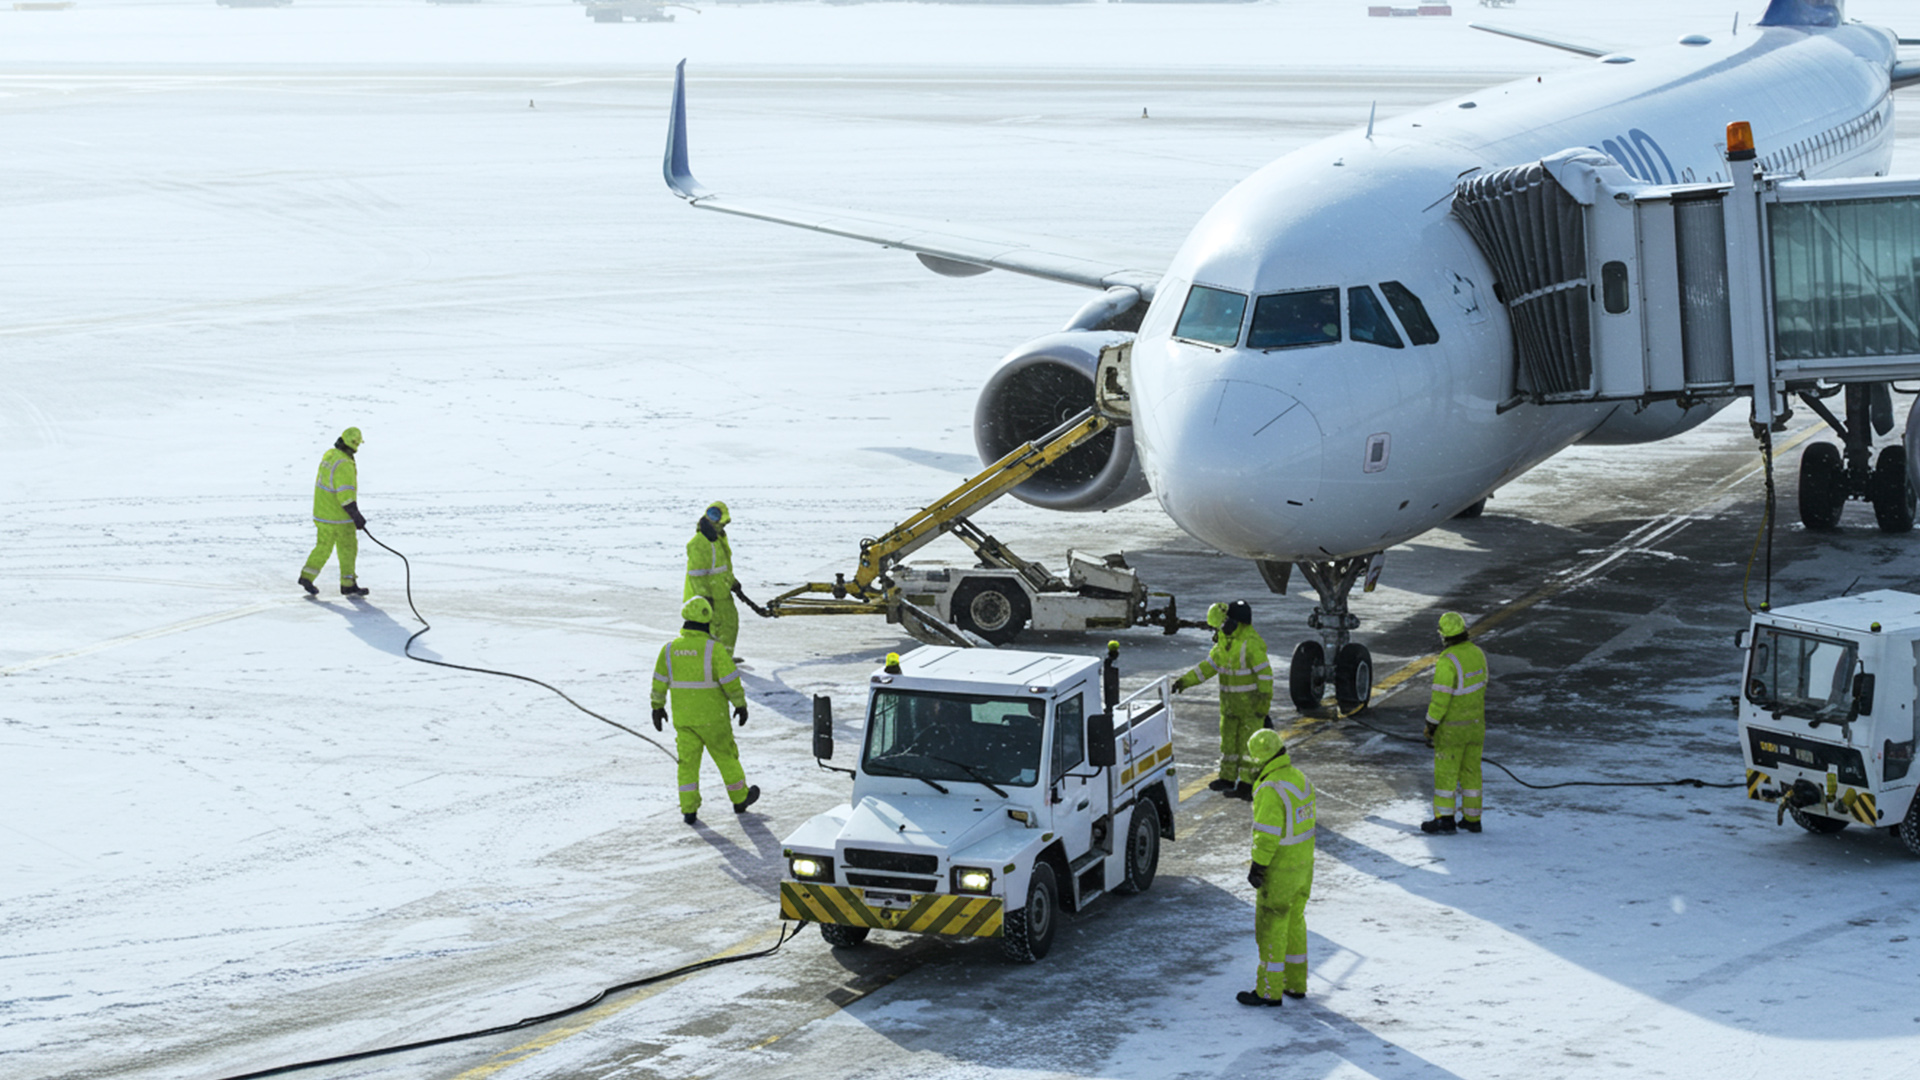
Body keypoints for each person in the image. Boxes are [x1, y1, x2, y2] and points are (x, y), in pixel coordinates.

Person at [651, 595, 759, 825]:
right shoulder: (714, 650)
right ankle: (740, 798)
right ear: (707, 621)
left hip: (684, 719)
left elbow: (659, 681)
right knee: (726, 757)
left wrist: (657, 708)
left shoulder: (669, 650)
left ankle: (689, 809)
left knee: (687, 764)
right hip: (714, 719)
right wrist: (740, 704)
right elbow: (731, 681)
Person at [1240, 727, 1315, 1007]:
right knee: (1295, 922)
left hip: (1280, 870)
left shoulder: (1270, 788)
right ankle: (1295, 984)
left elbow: (1267, 834)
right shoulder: (1299, 779)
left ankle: (1268, 990)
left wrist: (1257, 866)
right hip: (1303, 867)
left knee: (1272, 926)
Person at [1172, 599, 1274, 799]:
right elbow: (1208, 667)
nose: (1219, 629)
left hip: (1250, 707)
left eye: (1222, 625)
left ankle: (1247, 783)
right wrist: (1185, 681)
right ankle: (1227, 778)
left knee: (1248, 747)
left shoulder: (1250, 644)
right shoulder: (1224, 642)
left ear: (1235, 622)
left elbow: (1265, 676)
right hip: (1229, 706)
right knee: (1228, 745)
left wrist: (1263, 703)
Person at [1422, 611, 1488, 835]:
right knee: (1471, 772)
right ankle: (1472, 819)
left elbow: (1440, 699)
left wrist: (1431, 725)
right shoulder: (1477, 653)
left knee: (1446, 775)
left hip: (1452, 731)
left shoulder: (1447, 660)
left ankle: (1445, 819)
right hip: (1476, 727)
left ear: (1443, 635)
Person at [299, 427, 369, 597]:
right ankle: (348, 584)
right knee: (348, 548)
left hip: (322, 512)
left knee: (323, 546)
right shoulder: (344, 463)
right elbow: (344, 492)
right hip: (339, 516)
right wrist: (355, 514)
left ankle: (307, 576)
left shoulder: (330, 455)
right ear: (354, 444)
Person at [685, 501, 746, 657]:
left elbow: (722, 568)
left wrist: (733, 583)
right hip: (710, 596)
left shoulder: (718, 539)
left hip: (722, 593)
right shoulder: (699, 543)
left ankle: (724, 658)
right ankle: (711, 660)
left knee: (730, 625)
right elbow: (696, 574)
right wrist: (704, 597)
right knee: (714, 629)